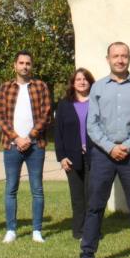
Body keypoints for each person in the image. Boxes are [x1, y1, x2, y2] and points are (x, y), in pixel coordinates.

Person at [77, 42, 130, 258]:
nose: (120, 60)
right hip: (102, 156)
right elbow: (92, 124)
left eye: (124, 56)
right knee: (95, 207)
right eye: (115, 56)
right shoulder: (98, 87)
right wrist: (110, 147)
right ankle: (87, 255)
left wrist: (127, 146)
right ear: (108, 59)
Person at [0, 51, 52, 244]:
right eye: (21, 63)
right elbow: (1, 117)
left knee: (37, 188)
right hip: (11, 146)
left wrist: (29, 137)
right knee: (11, 188)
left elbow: (46, 115)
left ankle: (37, 230)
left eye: (28, 63)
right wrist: (17, 138)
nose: (24, 66)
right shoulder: (4, 88)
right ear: (15, 65)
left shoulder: (41, 86)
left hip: (36, 146)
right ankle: (11, 229)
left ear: (31, 66)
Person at [54, 67, 96, 240]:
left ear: (90, 82)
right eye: (78, 79)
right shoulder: (64, 104)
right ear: (73, 83)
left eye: (85, 79)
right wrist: (61, 157)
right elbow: (58, 133)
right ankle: (78, 231)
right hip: (71, 157)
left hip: (94, 155)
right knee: (77, 196)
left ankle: (92, 230)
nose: (82, 82)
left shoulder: (96, 102)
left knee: (92, 196)